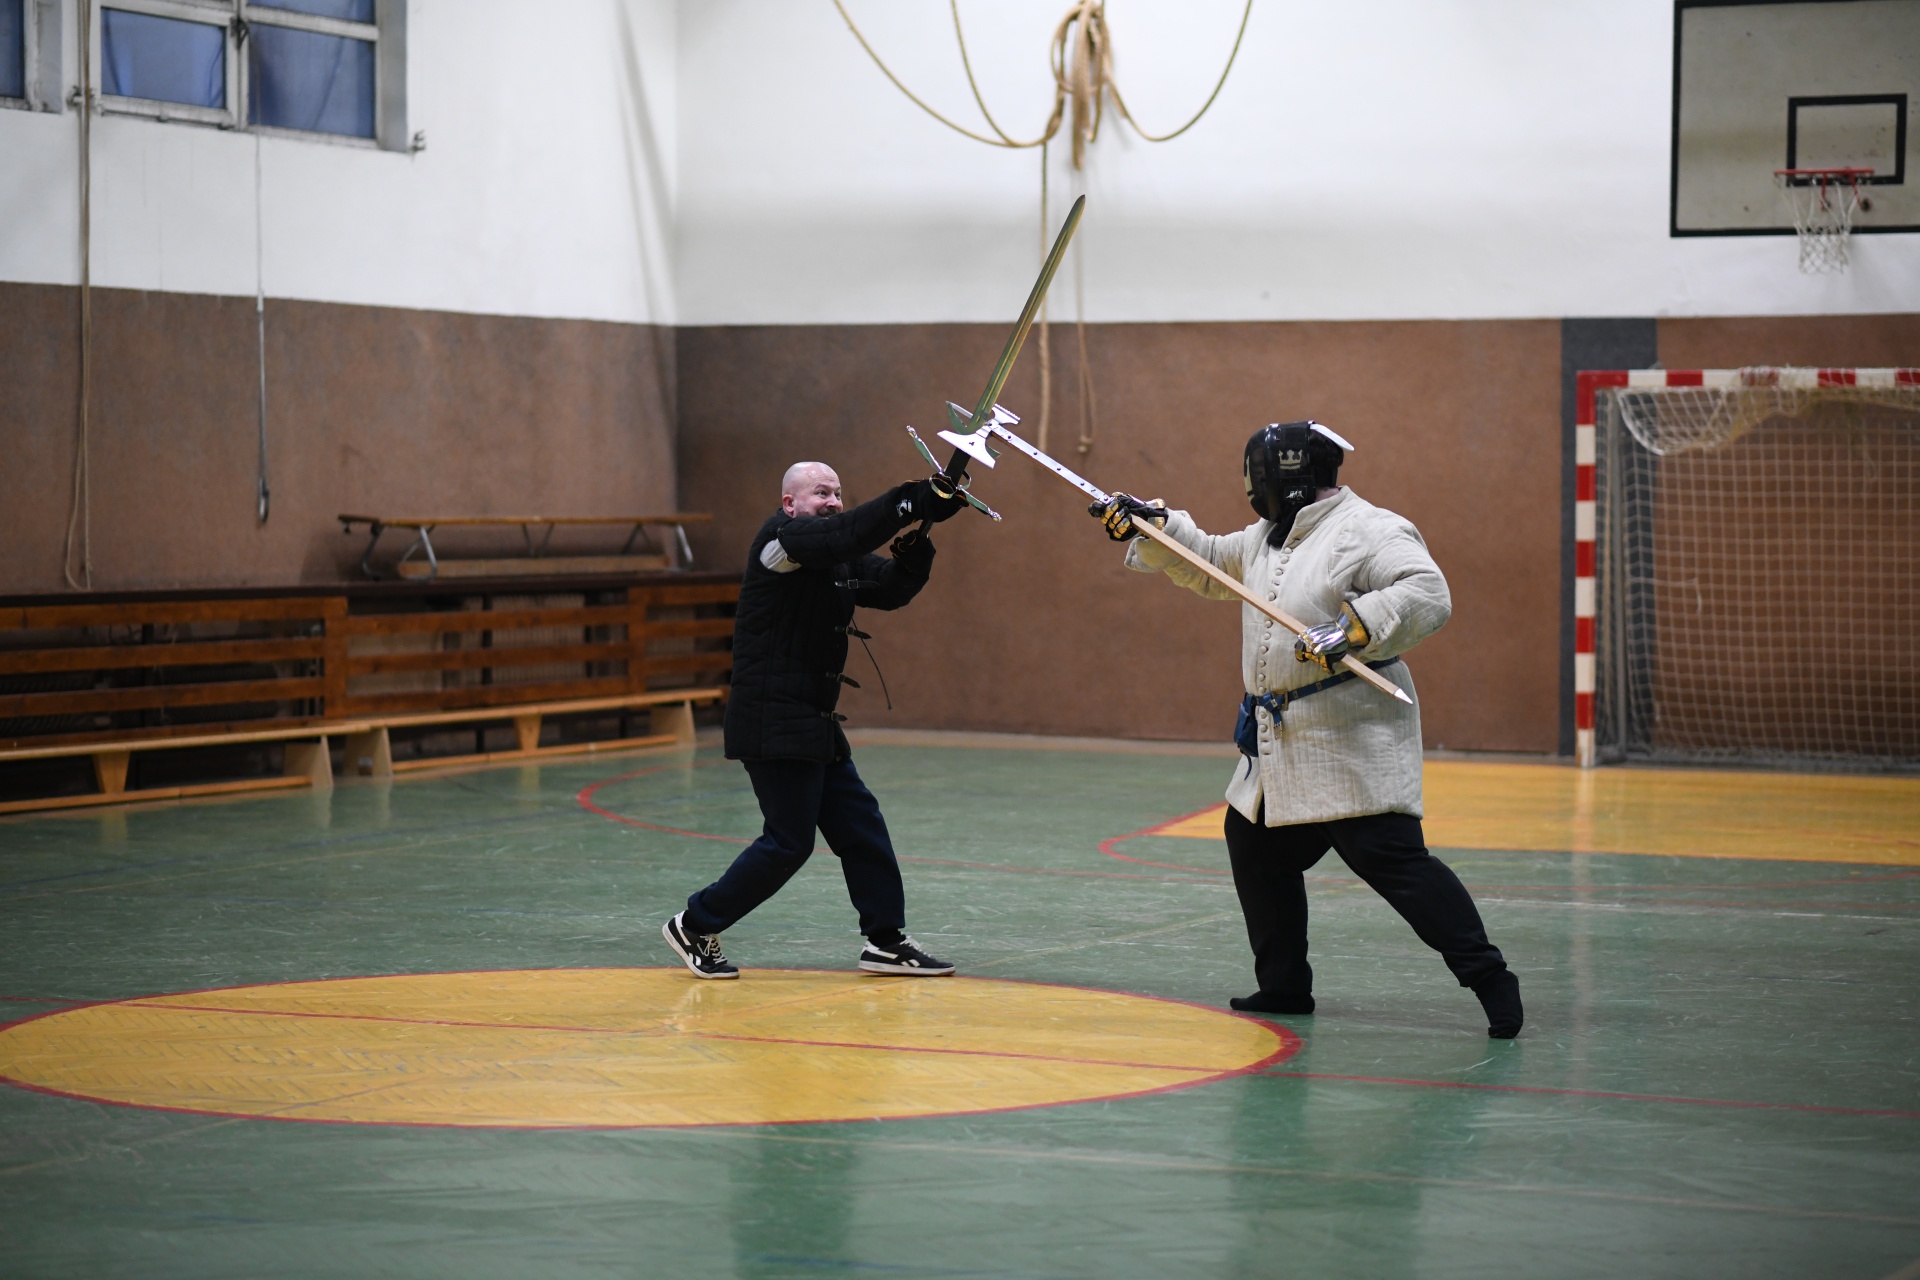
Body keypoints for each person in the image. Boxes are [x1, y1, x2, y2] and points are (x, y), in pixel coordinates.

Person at [1095, 422, 1523, 1038]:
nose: (1252, 489)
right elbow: (1209, 561)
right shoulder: (1268, 538)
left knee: (1394, 864)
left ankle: (1491, 979)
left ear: (1286, 476)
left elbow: (1427, 592)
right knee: (1253, 843)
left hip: (1349, 738)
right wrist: (1154, 527)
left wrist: (1353, 627)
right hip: (1281, 742)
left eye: (1258, 477)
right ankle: (1284, 986)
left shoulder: (1369, 529)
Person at [663, 460, 967, 980]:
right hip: (772, 720)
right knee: (789, 842)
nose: (832, 501)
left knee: (861, 827)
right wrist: (911, 499)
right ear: (790, 504)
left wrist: (915, 552)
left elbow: (888, 588)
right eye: (820, 493)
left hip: (814, 722)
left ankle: (886, 942)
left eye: (837, 493)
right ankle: (694, 924)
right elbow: (845, 533)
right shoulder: (781, 543)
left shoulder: (833, 555)